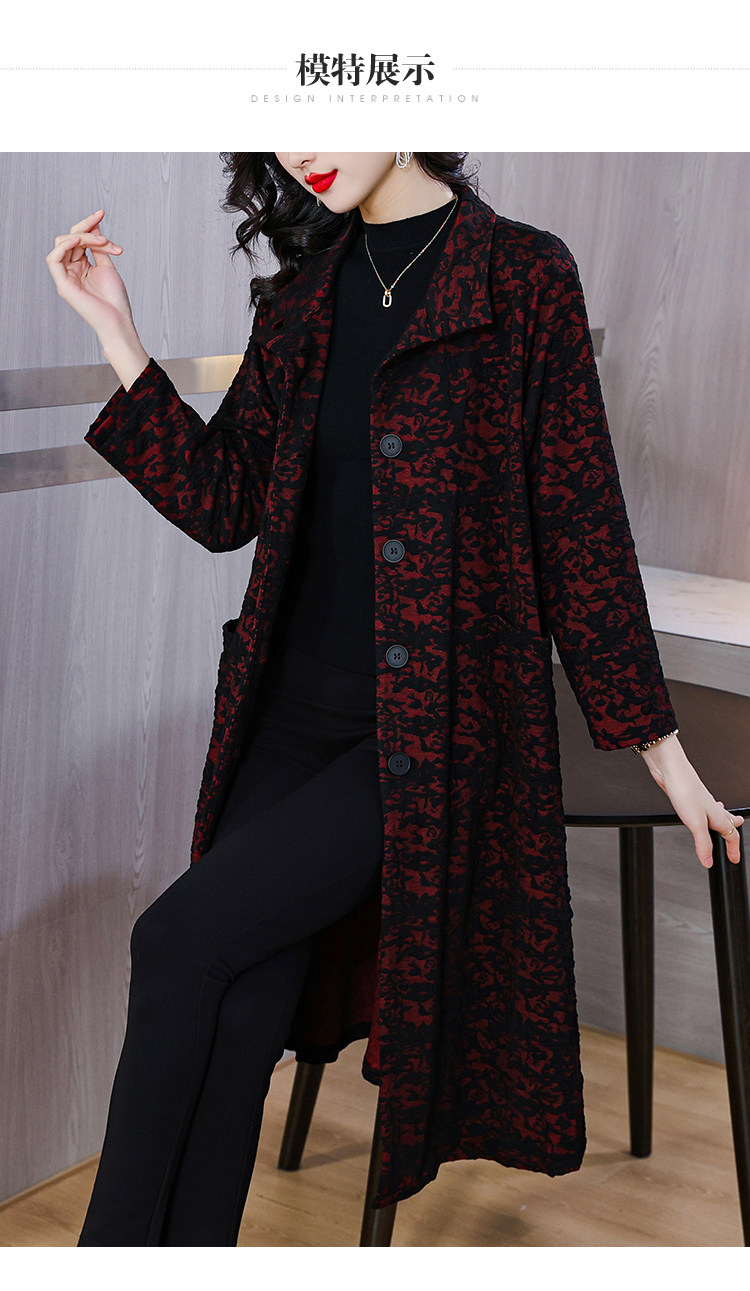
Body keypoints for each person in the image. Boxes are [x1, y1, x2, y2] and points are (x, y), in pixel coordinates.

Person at [46, 152, 744, 1247]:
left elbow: (582, 530)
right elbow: (225, 501)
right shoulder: (307, 291)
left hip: (423, 737)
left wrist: (665, 753)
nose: (304, 146)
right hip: (282, 720)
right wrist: (117, 334)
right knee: (236, 1008)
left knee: (176, 941)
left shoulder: (522, 278)